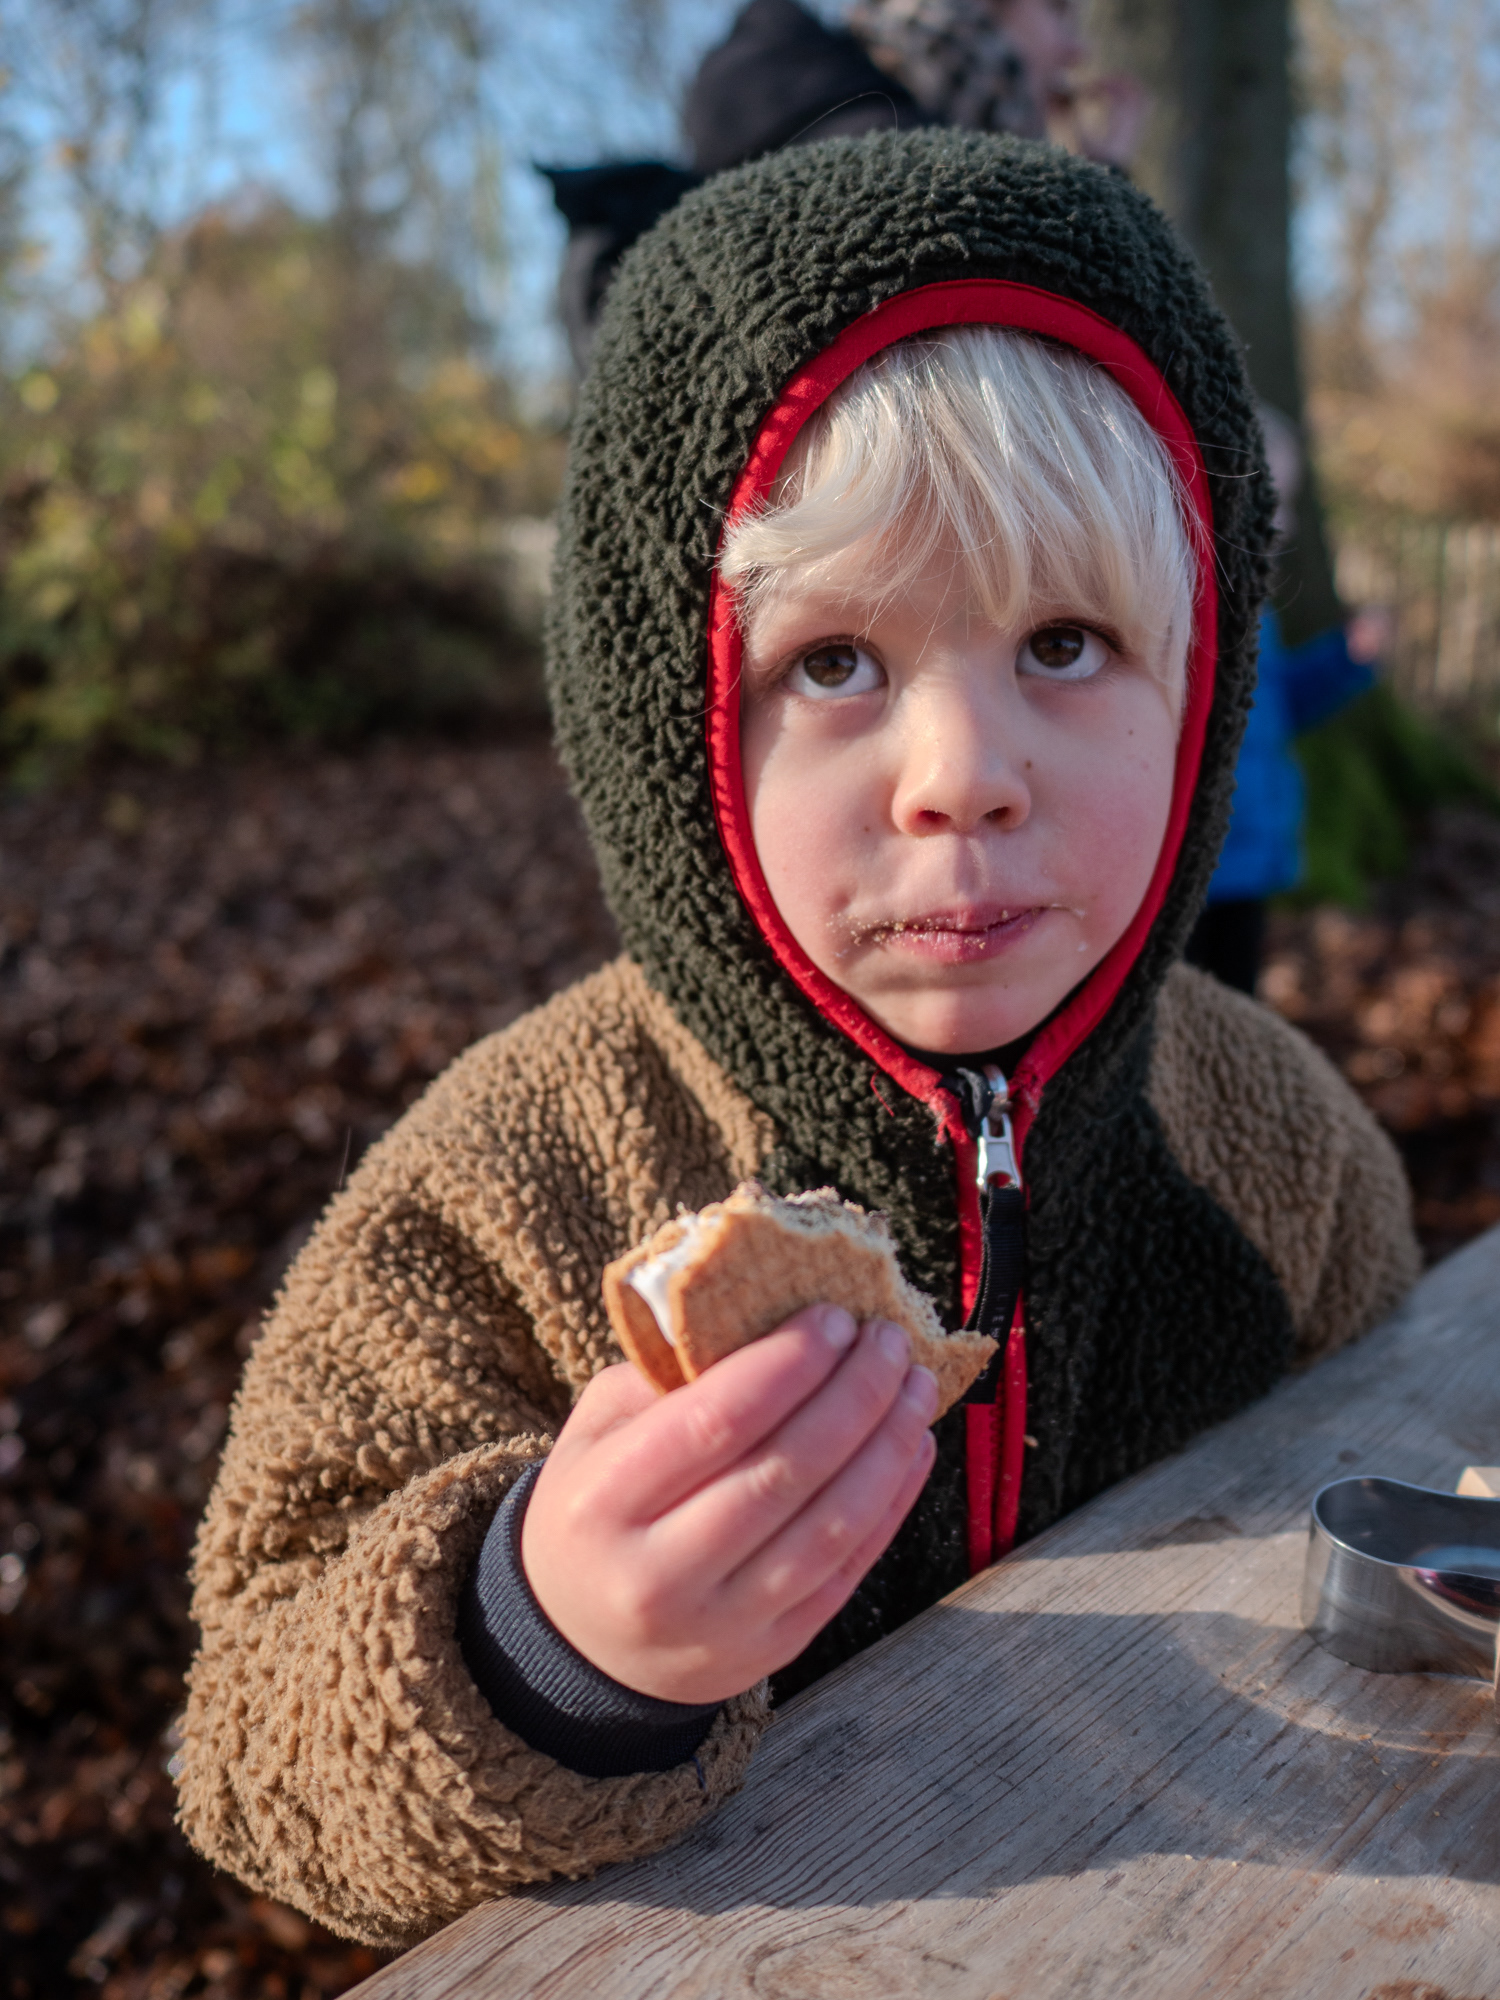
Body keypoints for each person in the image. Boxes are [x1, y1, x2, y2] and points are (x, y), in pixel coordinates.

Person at [176, 130, 1419, 1947]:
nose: (964, 776)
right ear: (664, 709)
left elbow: (1388, 1498)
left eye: (1066, 643)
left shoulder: (1284, 1141)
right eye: (836, 663)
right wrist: (547, 1642)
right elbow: (250, 1755)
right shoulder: (503, 1194)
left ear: (1206, 683)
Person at [549, 0, 1145, 370]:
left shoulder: (818, 102)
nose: (1076, 50)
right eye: (1057, 10)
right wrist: (1103, 185)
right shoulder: (889, 155)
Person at [1185, 407, 1384, 994]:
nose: (1286, 524)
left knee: (1237, 993)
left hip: (1251, 854)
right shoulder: (1188, 611)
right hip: (1193, 860)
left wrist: (1346, 660)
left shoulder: (1256, 613)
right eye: (1272, 502)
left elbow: (1276, 706)